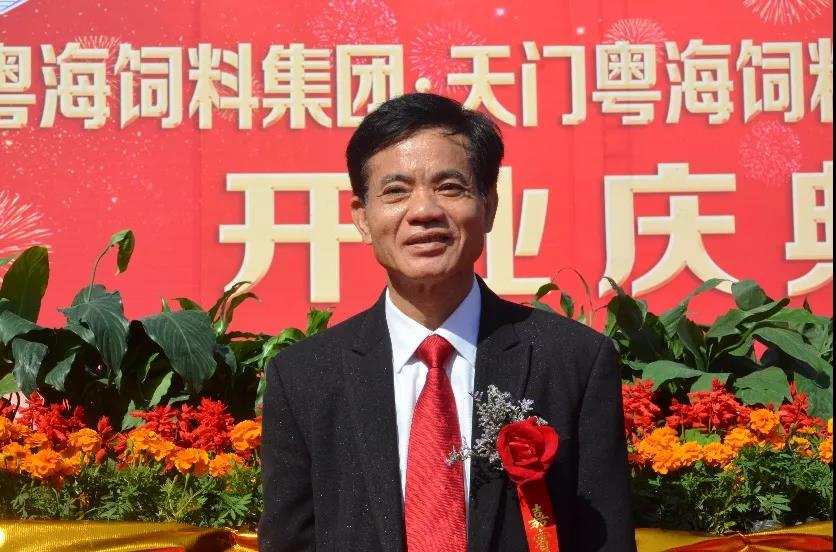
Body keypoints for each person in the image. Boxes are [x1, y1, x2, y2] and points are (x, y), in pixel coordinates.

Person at [259, 93, 636, 551]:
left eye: (450, 187)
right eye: (396, 191)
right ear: (362, 217)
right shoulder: (305, 377)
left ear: (489, 205)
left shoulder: (573, 361)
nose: (424, 211)